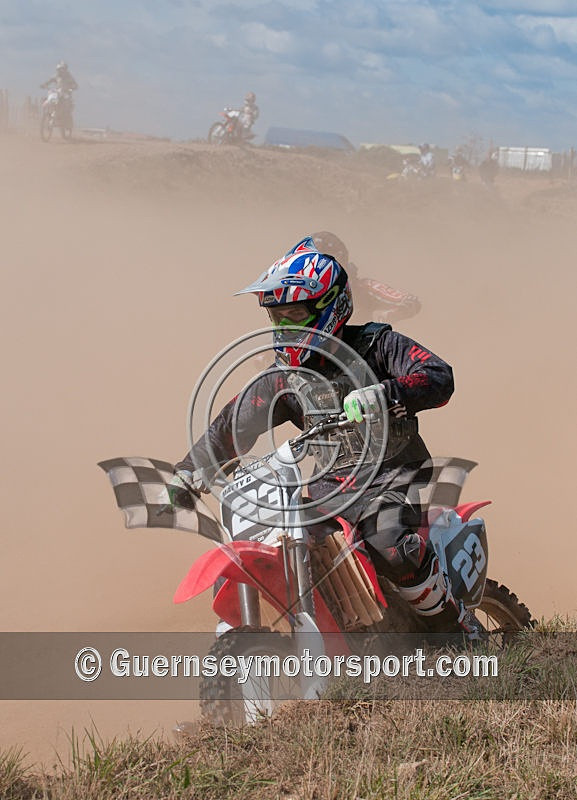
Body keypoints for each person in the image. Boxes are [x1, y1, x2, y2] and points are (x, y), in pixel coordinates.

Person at [167, 236, 481, 638]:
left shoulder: (376, 344)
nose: (283, 327)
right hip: (329, 486)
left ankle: (459, 628)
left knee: (388, 543)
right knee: (280, 546)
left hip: (391, 475)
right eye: (276, 317)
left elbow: (439, 376)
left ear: (328, 307)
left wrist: (386, 393)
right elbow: (233, 424)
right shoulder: (283, 378)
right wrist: (189, 470)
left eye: (294, 314)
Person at [309, 231, 421, 324]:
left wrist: (385, 316)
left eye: (329, 260)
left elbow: (411, 302)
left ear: (342, 259)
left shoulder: (363, 288)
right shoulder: (299, 292)